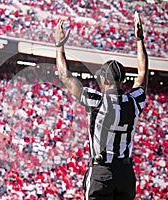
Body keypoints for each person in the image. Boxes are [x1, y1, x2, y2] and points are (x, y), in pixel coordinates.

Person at [55, 12, 148, 200]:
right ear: (122, 81)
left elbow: (64, 75)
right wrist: (139, 40)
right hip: (125, 173)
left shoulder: (96, 101)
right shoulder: (133, 102)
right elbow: (143, 73)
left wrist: (59, 45)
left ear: (104, 79)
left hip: (101, 173)